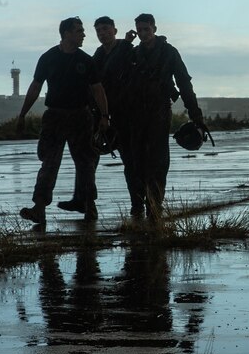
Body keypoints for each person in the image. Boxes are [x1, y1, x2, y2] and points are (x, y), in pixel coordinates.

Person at [17, 16, 110, 227]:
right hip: (55, 117)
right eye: (79, 30)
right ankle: (39, 209)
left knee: (85, 163)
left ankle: (89, 205)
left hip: (81, 117)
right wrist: (22, 115)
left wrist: (104, 117)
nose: (84, 34)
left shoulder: (86, 60)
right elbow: (35, 87)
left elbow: (98, 89)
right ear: (66, 33)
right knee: (49, 163)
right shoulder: (48, 58)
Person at [123, 12, 204, 220]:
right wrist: (125, 44)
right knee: (135, 160)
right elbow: (117, 77)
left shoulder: (169, 53)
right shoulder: (132, 54)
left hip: (159, 112)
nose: (142, 34)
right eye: (139, 30)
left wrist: (195, 113)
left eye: (146, 29)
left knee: (158, 161)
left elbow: (184, 82)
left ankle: (155, 204)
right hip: (135, 113)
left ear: (154, 29)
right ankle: (137, 203)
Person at [57, 16, 134, 214]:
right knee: (88, 159)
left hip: (123, 114)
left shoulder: (126, 50)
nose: (102, 33)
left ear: (114, 30)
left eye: (106, 29)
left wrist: (126, 43)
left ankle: (138, 204)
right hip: (100, 114)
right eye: (99, 30)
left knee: (130, 160)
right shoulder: (98, 55)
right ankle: (83, 200)